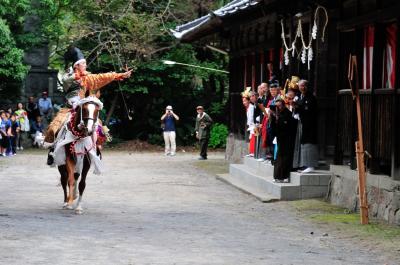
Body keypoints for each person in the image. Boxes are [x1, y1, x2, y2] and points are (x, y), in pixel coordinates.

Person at [272, 97, 297, 182]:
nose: (278, 108)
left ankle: (284, 176)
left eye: (279, 106)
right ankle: (277, 176)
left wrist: (278, 119)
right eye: (277, 106)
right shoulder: (278, 114)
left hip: (287, 138)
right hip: (280, 138)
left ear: (283, 105)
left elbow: (288, 126)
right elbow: (275, 127)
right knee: (279, 157)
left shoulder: (288, 114)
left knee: (285, 157)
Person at [296, 79, 318, 173]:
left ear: (307, 86)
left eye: (304, 86)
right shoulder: (300, 96)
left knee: (309, 143)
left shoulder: (311, 97)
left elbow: (308, 110)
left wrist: (298, 107)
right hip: (303, 123)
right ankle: (305, 164)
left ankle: (311, 165)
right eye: (300, 86)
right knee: (304, 143)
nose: (302, 88)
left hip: (310, 124)